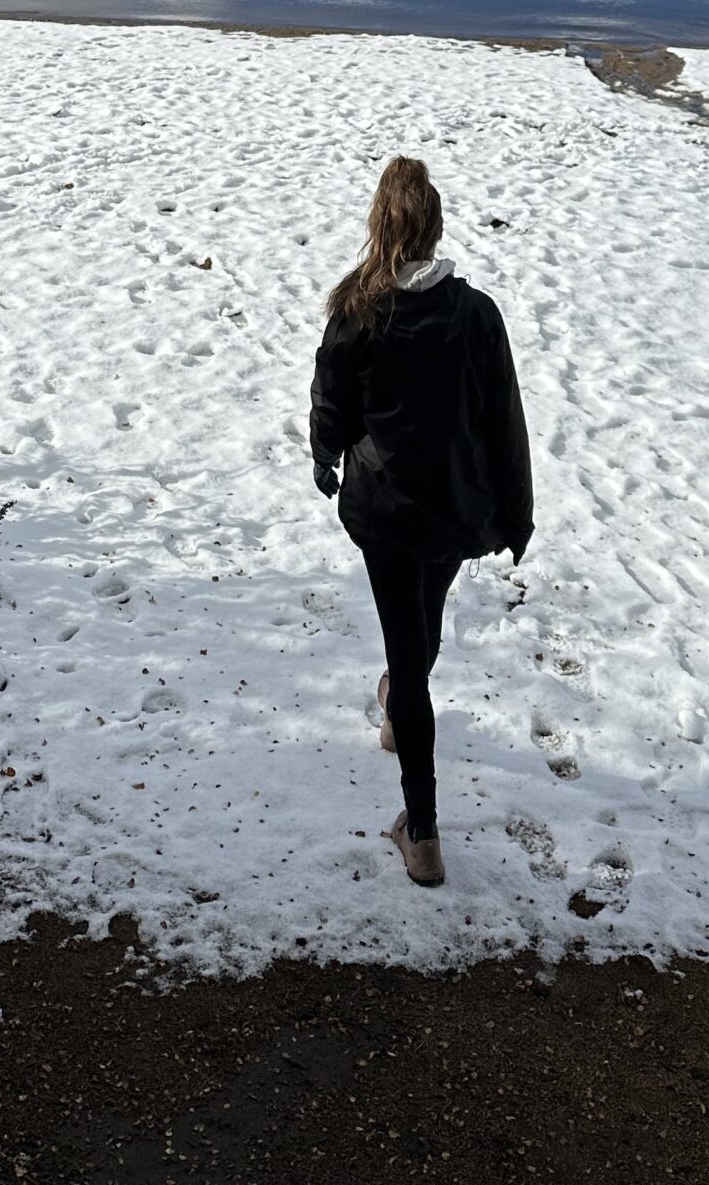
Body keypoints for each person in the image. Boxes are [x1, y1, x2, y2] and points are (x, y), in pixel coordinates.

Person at [310, 155, 533, 889]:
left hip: (386, 514)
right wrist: (515, 511)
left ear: (382, 227)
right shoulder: (475, 314)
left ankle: (425, 833)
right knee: (420, 628)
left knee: (410, 654)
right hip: (455, 510)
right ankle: (398, 708)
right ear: (435, 231)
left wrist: (325, 457)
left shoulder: (359, 309)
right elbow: (504, 421)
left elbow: (331, 403)